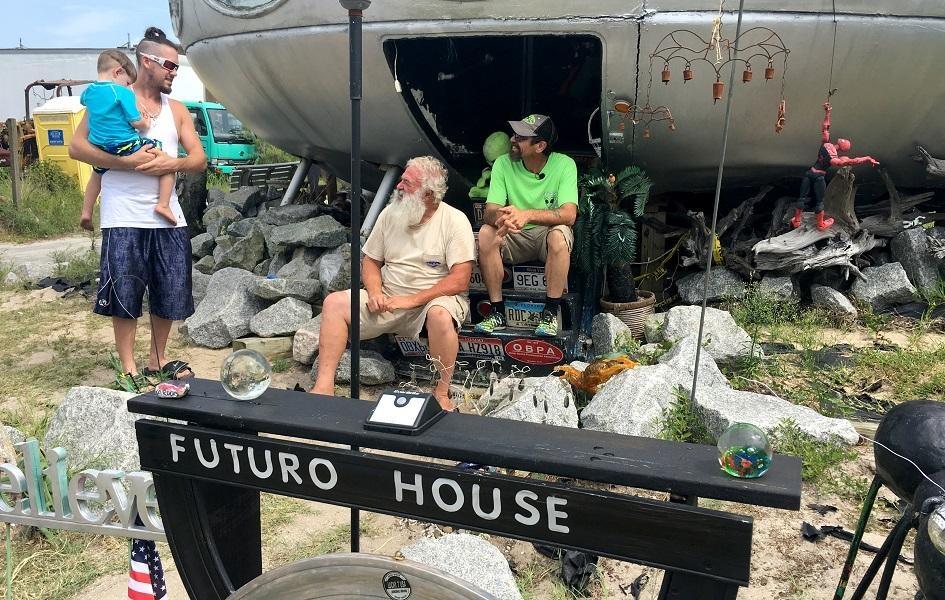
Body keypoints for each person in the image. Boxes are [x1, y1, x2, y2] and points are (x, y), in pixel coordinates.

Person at [69, 27, 206, 389]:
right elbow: (77, 148)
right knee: (124, 293)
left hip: (169, 219)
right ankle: (128, 367)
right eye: (170, 66)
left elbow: (198, 159)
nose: (174, 73)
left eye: (176, 68)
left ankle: (157, 360)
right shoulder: (112, 97)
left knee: (171, 291)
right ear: (147, 62)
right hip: (123, 216)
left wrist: (168, 165)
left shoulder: (177, 111)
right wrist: (128, 164)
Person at [309, 156, 475, 410]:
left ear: (428, 194)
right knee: (334, 303)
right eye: (401, 180)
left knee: (441, 314)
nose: (398, 186)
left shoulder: (454, 220)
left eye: (406, 183)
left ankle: (442, 392)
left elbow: (460, 280)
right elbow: (371, 261)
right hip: (388, 298)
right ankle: (324, 386)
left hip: (430, 302)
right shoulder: (390, 213)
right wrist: (375, 291)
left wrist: (413, 300)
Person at [474, 114, 578, 337]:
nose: (512, 139)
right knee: (485, 233)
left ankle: (550, 314)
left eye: (521, 137)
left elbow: (569, 215)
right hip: (513, 234)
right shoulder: (503, 163)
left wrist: (528, 214)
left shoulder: (564, 164)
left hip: (545, 236)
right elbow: (490, 212)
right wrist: (503, 217)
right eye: (514, 134)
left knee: (560, 235)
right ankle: (497, 311)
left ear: (540, 146)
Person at [79, 49, 177, 230]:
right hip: (123, 143)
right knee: (166, 161)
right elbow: (136, 122)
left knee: (96, 175)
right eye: (127, 83)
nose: (128, 87)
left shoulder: (89, 92)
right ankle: (163, 204)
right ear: (117, 72)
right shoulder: (121, 93)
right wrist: (146, 122)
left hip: (99, 145)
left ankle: (86, 212)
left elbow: (83, 102)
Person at [794, 102, 879, 231]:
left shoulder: (825, 144)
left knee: (802, 197)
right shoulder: (834, 159)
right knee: (819, 201)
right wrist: (867, 158)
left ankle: (797, 220)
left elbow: (825, 127)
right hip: (819, 178)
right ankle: (820, 224)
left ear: (841, 144)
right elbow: (853, 161)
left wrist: (827, 112)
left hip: (809, 173)